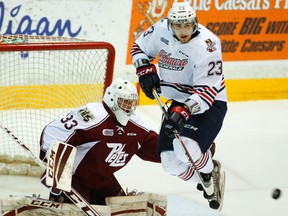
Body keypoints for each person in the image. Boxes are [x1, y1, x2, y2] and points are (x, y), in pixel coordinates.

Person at [130, 0, 227, 210]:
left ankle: (210, 170)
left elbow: (207, 91)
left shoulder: (208, 45)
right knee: (169, 162)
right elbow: (138, 48)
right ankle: (205, 175)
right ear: (170, 24)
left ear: (195, 22)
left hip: (208, 103)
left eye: (188, 25)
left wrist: (184, 110)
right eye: (178, 26)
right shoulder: (160, 29)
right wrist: (144, 68)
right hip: (177, 102)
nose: (184, 31)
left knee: (186, 150)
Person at [39, 77, 161, 205]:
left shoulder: (135, 125)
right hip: (75, 179)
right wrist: (53, 165)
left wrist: (179, 154)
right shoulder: (93, 115)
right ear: (112, 98)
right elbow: (53, 131)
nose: (129, 107)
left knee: (122, 211)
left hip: (103, 181)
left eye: (131, 103)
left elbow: (159, 148)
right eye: (125, 102)